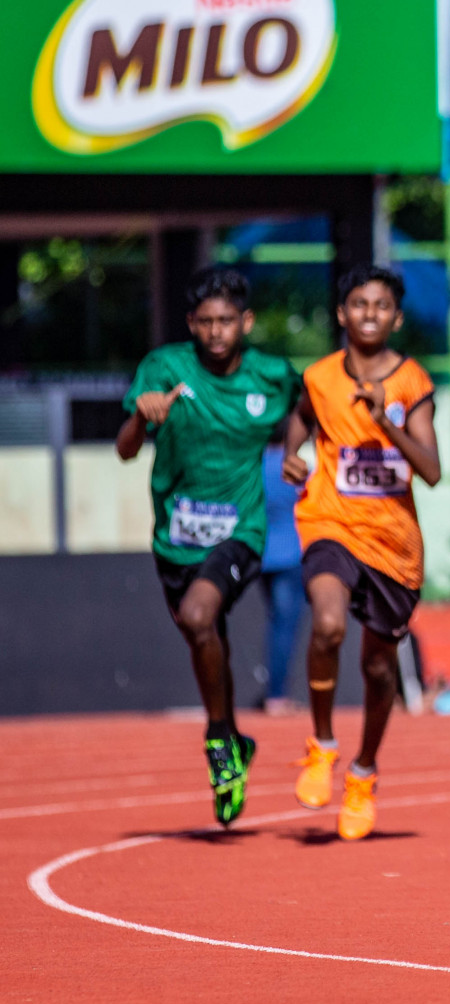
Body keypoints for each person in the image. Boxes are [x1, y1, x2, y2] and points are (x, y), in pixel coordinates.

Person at [115, 266, 299, 825]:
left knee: (200, 615)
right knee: (205, 635)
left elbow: (301, 410)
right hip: (174, 538)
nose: (217, 332)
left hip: (240, 532)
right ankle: (233, 740)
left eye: (227, 321)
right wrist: (142, 418)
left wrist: (294, 452)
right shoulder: (164, 368)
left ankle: (219, 743)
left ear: (245, 322)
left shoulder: (272, 375)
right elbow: (125, 450)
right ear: (191, 324)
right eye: (206, 322)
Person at [284, 265, 440, 841]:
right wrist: (292, 453)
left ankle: (364, 770)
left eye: (380, 306)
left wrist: (384, 422)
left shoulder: (411, 382)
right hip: (329, 521)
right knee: (326, 625)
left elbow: (431, 470)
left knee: (378, 668)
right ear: (341, 313)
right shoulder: (320, 376)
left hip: (393, 546)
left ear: (395, 318)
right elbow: (299, 420)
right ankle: (321, 744)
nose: (369, 314)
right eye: (358, 304)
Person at [257, 429, 305, 714]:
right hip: (290, 556)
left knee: (275, 625)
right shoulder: (295, 468)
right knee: (284, 629)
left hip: (261, 553)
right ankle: (277, 695)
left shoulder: (254, 466)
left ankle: (274, 694)